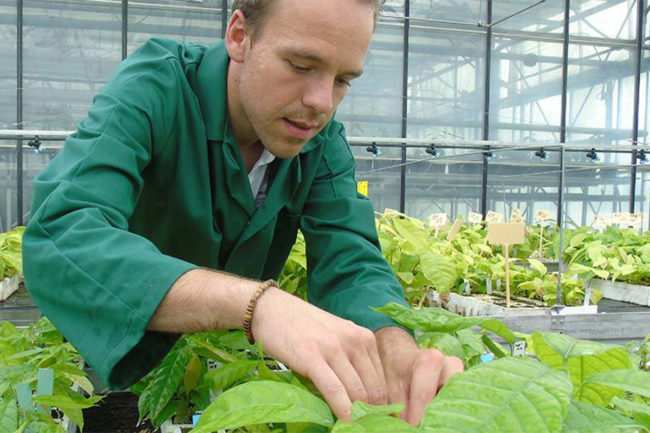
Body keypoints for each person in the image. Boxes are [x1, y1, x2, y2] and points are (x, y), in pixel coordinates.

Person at [22, 0, 463, 425]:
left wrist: (395, 346)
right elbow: (63, 233)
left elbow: (351, 261)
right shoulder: (155, 87)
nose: (322, 102)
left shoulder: (321, 143)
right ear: (239, 36)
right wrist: (261, 306)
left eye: (343, 79)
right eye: (301, 65)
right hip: (113, 346)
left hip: (224, 363)